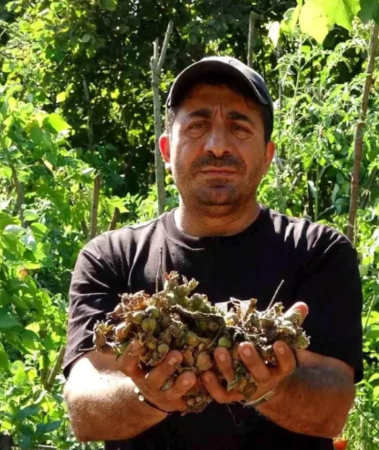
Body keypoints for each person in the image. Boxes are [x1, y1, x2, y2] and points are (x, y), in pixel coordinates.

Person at [63, 56, 363, 450]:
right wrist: (151, 397)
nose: (217, 145)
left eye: (239, 127)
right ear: (167, 149)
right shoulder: (111, 258)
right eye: (198, 125)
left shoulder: (318, 252)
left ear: (267, 154)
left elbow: (333, 410)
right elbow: (84, 410)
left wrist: (269, 389)